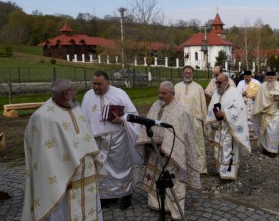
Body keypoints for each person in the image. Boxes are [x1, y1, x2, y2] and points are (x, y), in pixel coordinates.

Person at [22, 79, 103, 221]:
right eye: (74, 89)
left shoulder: (76, 109)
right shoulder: (42, 118)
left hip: (86, 173)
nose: (77, 92)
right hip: (63, 177)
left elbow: (86, 137)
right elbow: (43, 155)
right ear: (67, 94)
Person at [136, 81, 201, 220]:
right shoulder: (155, 105)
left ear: (172, 94)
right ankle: (160, 205)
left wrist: (164, 148)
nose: (160, 96)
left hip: (171, 154)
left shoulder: (180, 111)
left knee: (173, 181)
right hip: (154, 149)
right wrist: (149, 143)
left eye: (163, 93)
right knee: (156, 177)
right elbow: (148, 124)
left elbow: (180, 135)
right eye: (159, 92)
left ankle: (176, 212)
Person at [81, 70, 141, 209]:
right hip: (97, 140)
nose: (96, 87)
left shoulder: (119, 94)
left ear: (107, 82)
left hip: (117, 139)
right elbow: (83, 117)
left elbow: (132, 114)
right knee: (101, 170)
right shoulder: (88, 96)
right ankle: (107, 197)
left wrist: (121, 120)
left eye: (99, 84)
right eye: (94, 83)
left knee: (122, 168)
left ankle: (126, 195)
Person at [205, 73, 251, 179]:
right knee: (218, 150)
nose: (217, 84)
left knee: (228, 150)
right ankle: (220, 170)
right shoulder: (217, 92)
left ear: (226, 81)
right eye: (216, 82)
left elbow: (239, 109)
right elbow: (212, 106)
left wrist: (225, 113)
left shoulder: (235, 93)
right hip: (218, 126)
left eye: (219, 82)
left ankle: (228, 173)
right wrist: (213, 119)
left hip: (230, 127)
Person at [174, 65, 208, 174]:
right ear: (182, 73)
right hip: (180, 120)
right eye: (186, 73)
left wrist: (205, 120)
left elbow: (203, 105)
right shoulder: (176, 87)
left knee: (198, 145)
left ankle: (200, 168)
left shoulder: (198, 88)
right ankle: (182, 167)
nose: (187, 74)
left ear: (192, 74)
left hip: (195, 120)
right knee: (181, 143)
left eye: (189, 73)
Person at [252, 71, 279, 157]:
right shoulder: (262, 86)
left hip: (276, 112)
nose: (269, 80)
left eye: (271, 78)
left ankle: (273, 150)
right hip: (265, 113)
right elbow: (258, 100)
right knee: (265, 132)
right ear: (265, 77)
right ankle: (266, 149)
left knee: (273, 132)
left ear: (275, 78)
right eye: (268, 78)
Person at [236, 70, 262, 140]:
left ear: (251, 76)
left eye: (248, 76)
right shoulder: (241, 83)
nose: (246, 78)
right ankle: (246, 135)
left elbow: (261, 93)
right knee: (244, 119)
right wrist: (242, 93)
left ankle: (255, 134)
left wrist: (256, 97)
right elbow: (236, 93)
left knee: (255, 120)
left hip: (254, 104)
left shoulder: (256, 83)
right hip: (244, 105)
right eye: (245, 77)